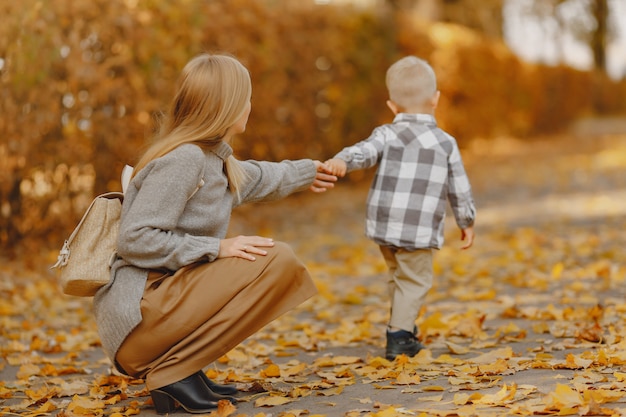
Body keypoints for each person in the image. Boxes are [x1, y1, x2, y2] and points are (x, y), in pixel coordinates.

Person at [92, 53, 337, 414]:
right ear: (228, 105)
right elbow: (135, 238)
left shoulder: (212, 160)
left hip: (154, 314)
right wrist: (217, 248)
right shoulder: (185, 160)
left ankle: (183, 369)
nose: (250, 105)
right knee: (276, 261)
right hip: (138, 320)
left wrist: (308, 172)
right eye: (246, 97)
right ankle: (172, 371)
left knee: (273, 260)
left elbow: (260, 177)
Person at [324, 56, 476, 361]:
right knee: (415, 279)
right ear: (435, 100)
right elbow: (458, 186)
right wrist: (466, 220)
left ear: (392, 106)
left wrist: (342, 160)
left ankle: (402, 324)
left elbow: (363, 152)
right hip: (417, 230)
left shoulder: (386, 134)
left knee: (397, 275)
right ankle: (400, 338)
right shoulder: (445, 142)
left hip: (385, 226)